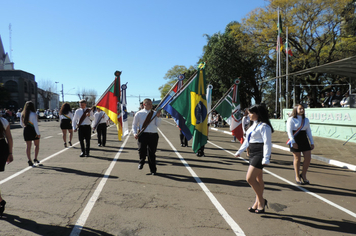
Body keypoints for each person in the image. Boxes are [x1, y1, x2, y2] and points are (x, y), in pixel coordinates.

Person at [234, 104, 273, 214]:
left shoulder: (265, 126)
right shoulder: (253, 125)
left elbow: (267, 143)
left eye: (251, 113)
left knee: (250, 178)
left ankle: (261, 201)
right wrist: (240, 151)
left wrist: (266, 158)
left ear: (258, 114)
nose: (249, 115)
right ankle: (258, 202)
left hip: (260, 153)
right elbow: (247, 140)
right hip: (253, 152)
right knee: (259, 179)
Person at [286, 104, 314, 185]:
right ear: (295, 109)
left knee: (308, 158)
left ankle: (303, 174)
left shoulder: (306, 120)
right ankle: (297, 176)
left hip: (304, 139)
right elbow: (289, 131)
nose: (302, 110)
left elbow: (309, 131)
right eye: (300, 109)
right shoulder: (291, 119)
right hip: (295, 139)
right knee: (297, 158)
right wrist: (293, 142)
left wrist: (312, 142)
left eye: (303, 109)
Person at [132, 98, 161, 175]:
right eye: (149, 104)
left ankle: (153, 170)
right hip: (143, 134)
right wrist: (135, 133)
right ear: (144, 104)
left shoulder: (154, 113)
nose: (151, 105)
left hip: (153, 134)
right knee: (141, 150)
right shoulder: (139, 113)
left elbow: (158, 125)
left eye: (151, 104)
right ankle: (141, 162)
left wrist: (158, 117)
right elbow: (134, 125)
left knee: (152, 153)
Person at [20, 101, 41, 166]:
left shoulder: (22, 114)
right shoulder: (34, 114)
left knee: (28, 146)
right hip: (33, 130)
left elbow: (21, 124)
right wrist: (38, 133)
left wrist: (26, 127)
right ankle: (35, 158)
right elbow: (35, 125)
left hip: (26, 130)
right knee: (36, 145)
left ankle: (29, 160)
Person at [0, 116, 14, 217]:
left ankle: (0, 202)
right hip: (2, 147)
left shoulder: (3, 121)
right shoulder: (3, 120)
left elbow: (9, 137)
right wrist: (9, 152)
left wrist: (10, 153)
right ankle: (0, 201)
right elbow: (9, 138)